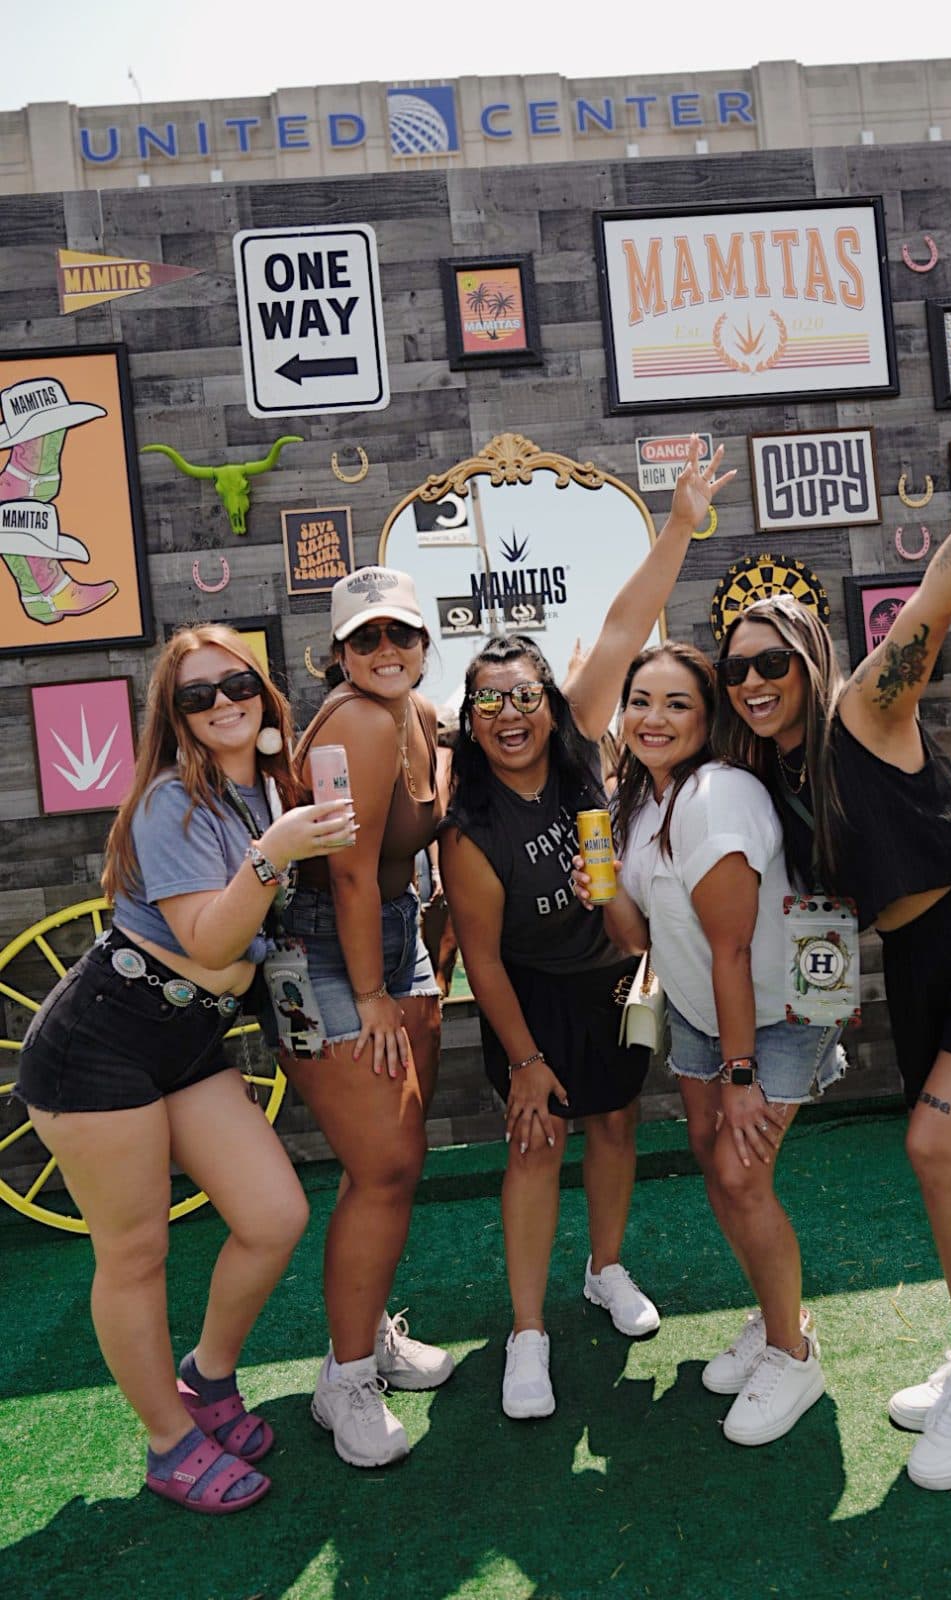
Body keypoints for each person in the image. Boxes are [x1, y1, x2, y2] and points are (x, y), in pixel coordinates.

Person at [713, 360, 951, 1491]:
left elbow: (945, 584)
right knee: (944, 1156)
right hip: (923, 959)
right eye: (737, 671)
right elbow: (818, 926)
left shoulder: (865, 706)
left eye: (773, 660)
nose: (756, 681)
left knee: (935, 1147)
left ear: (810, 657)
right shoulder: (763, 786)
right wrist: (793, 1057)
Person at [15, 623, 354, 1514]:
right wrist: (274, 851)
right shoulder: (176, 801)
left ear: (262, 688)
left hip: (188, 1040)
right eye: (197, 695)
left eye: (234, 682)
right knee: (135, 1252)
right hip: (100, 1042)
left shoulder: (266, 790)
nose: (222, 703)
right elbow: (209, 936)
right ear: (176, 716)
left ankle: (205, 1378)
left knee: (274, 1215)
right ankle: (169, 1441)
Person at [440, 437, 735, 1419]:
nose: (512, 713)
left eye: (526, 694)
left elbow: (621, 622)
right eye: (491, 702)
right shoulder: (469, 828)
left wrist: (682, 522)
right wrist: (520, 1061)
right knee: (534, 1143)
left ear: (546, 700)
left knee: (614, 1122)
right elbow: (480, 957)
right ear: (470, 719)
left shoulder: (577, 747)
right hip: (528, 1003)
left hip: (612, 983)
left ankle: (604, 1270)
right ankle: (526, 1334)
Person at [576, 641, 843, 1446]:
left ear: (709, 718)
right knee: (712, 1160)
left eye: (676, 703)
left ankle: (794, 1353)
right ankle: (774, 1320)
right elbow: (639, 937)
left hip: (770, 1017)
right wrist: (601, 876)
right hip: (699, 1009)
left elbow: (731, 947)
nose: (652, 718)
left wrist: (740, 1075)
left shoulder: (716, 795)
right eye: (640, 701)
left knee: (738, 1173)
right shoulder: (643, 799)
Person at [277, 566, 452, 1470]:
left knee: (387, 1164)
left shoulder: (416, 718)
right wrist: (374, 991)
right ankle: (344, 1378)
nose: (386, 652)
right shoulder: (355, 719)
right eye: (365, 639)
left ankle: (367, 1334)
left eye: (401, 636)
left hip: (393, 935)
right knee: (383, 1164)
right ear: (337, 654)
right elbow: (345, 872)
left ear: (424, 645)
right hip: (326, 949)